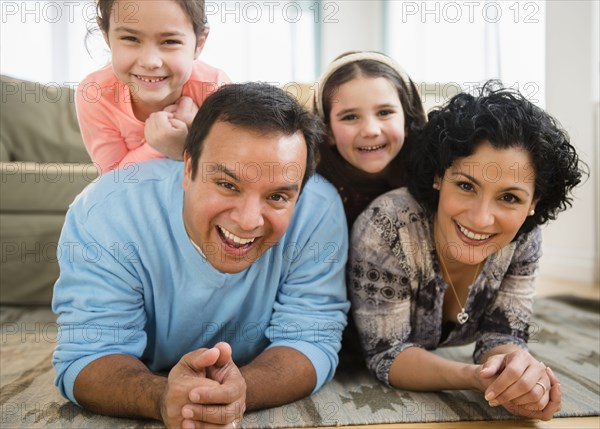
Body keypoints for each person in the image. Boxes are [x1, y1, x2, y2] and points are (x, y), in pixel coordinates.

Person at [52, 82, 350, 428]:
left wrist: (238, 392)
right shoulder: (105, 212)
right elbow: (89, 353)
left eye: (277, 197)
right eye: (227, 185)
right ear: (188, 168)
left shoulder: (319, 209)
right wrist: (161, 397)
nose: (248, 220)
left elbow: (311, 339)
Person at [348, 81, 586, 420]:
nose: (481, 217)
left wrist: (515, 371)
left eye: (510, 198)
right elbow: (386, 354)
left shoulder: (522, 238)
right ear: (438, 177)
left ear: (533, 204)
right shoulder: (389, 225)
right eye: (465, 185)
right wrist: (476, 378)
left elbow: (502, 335)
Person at [77, 0, 230, 174]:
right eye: (130, 38)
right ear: (106, 36)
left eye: (170, 41)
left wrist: (197, 137)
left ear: (199, 44)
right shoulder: (95, 94)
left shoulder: (214, 89)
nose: (150, 62)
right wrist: (168, 146)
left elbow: (233, 174)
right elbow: (113, 181)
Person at [313, 51, 426, 229]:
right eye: (350, 117)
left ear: (407, 122)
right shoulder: (314, 202)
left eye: (384, 113)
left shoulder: (433, 186)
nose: (371, 131)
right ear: (329, 133)